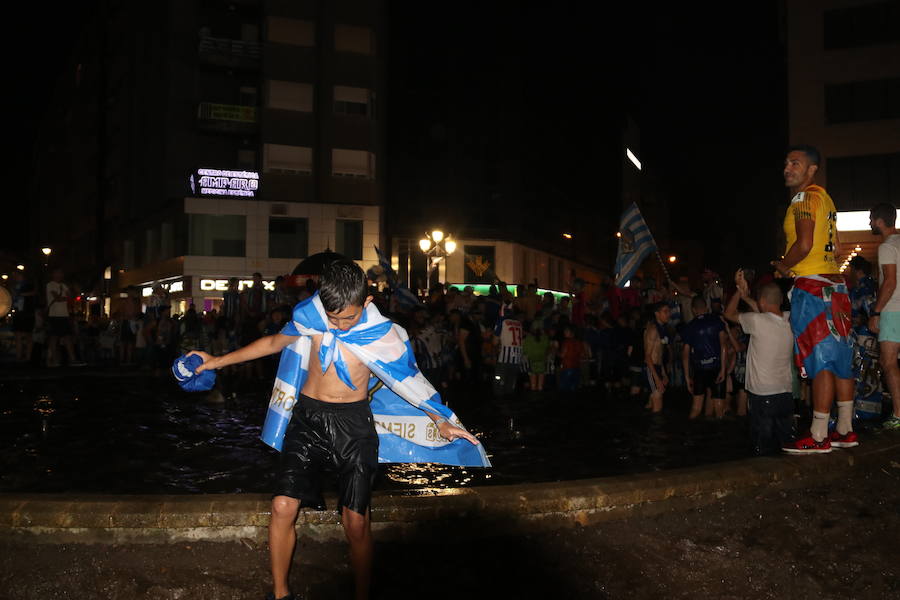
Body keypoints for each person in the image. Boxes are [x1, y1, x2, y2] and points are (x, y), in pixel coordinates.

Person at [188, 260, 478, 600]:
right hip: (308, 418)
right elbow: (271, 343)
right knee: (282, 506)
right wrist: (215, 361)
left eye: (348, 318)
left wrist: (440, 418)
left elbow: (408, 381)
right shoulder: (311, 317)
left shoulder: (385, 335)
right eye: (333, 318)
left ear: (367, 302)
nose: (339, 325)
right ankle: (280, 594)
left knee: (355, 521)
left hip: (353, 424)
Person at [772, 145, 857, 453]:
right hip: (836, 286)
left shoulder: (803, 198)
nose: (787, 168)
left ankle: (819, 435)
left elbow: (804, 244)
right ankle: (845, 429)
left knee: (819, 360)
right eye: (786, 162)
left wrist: (783, 265)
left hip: (812, 287)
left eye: (795, 163)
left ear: (811, 170)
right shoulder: (826, 199)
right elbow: (836, 249)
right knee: (840, 359)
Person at [725, 271, 795, 455]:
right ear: (780, 301)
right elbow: (766, 311)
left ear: (762, 301)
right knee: (785, 443)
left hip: (762, 394)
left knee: (762, 446)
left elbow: (729, 313)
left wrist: (739, 292)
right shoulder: (790, 319)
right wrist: (748, 297)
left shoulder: (757, 321)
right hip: (786, 392)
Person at [867, 202, 900, 429]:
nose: (870, 223)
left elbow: (889, 282)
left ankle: (898, 414)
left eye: (871, 219)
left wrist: (876, 312)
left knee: (888, 363)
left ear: (879, 221)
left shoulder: (887, 247)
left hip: (892, 310)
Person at [681, 295, 728, 419]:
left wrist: (687, 377)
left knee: (696, 408)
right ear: (706, 308)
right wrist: (723, 369)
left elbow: (685, 355)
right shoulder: (717, 321)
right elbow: (724, 346)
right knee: (719, 409)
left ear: (693, 310)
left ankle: (688, 434)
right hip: (716, 367)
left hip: (699, 370)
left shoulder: (689, 326)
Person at [45, 268, 83, 367]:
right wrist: (67, 298)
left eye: (60, 273)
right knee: (54, 337)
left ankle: (72, 359)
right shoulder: (50, 285)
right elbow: (57, 298)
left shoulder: (63, 285)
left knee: (67, 337)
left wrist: (71, 294)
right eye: (57, 273)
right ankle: (54, 360)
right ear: (53, 274)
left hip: (64, 315)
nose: (59, 275)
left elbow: (71, 297)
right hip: (54, 315)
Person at [644, 302, 671, 413]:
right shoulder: (653, 330)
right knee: (658, 406)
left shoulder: (661, 329)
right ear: (657, 314)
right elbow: (647, 356)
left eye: (669, 311)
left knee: (653, 401)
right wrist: (657, 379)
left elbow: (659, 355)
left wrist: (664, 374)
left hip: (657, 367)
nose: (669, 314)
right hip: (651, 369)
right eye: (665, 312)